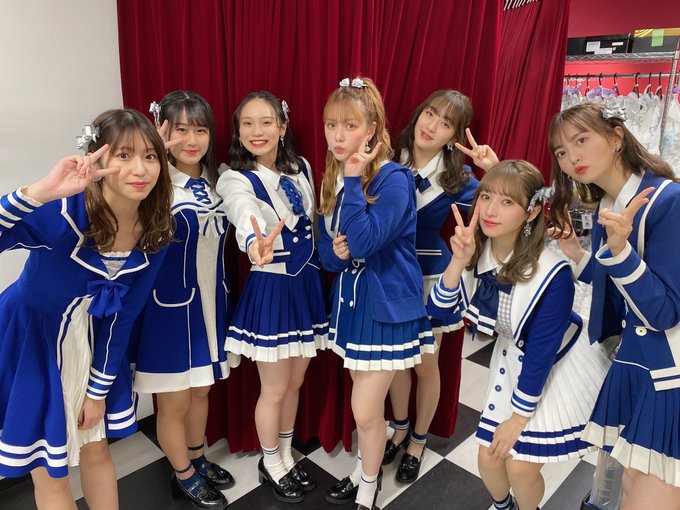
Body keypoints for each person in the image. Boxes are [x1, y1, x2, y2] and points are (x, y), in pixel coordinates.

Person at [0, 109, 173, 509]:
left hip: (91, 341)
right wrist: (39, 192)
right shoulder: (62, 214)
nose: (140, 169)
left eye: (150, 156)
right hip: (31, 341)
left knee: (96, 450)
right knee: (51, 468)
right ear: (97, 159)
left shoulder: (158, 229)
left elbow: (124, 314)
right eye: (124, 155)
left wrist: (97, 391)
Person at [428, 160, 610, 510]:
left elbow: (542, 351)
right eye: (486, 197)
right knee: (487, 459)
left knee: (520, 467)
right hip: (513, 358)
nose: (490, 210)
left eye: (507, 201)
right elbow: (438, 312)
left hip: (558, 366)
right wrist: (457, 260)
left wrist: (518, 418)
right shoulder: (478, 250)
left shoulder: (553, 274)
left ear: (532, 212)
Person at [549, 102, 680, 510]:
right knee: (628, 485)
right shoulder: (609, 205)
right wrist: (577, 253)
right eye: (561, 151)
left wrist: (620, 252)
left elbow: (663, 312)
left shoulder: (668, 200)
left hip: (668, 374)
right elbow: (615, 284)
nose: (572, 158)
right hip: (636, 364)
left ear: (617, 137)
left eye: (581, 140)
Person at [318, 76, 435, 510]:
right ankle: (363, 473)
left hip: (386, 308)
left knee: (365, 411)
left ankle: (368, 490)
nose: (338, 136)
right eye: (331, 125)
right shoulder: (336, 176)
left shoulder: (394, 179)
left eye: (349, 126)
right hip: (352, 306)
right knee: (366, 410)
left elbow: (365, 243)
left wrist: (352, 183)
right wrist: (335, 253)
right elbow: (328, 252)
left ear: (371, 129)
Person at [217, 91, 327, 504]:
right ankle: (270, 461)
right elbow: (241, 210)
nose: (256, 131)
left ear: (282, 127)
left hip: (307, 286)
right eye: (247, 123)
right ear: (238, 131)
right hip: (273, 287)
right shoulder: (234, 178)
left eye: (266, 122)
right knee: (275, 387)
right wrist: (252, 242)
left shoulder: (303, 169)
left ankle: (284, 452)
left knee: (295, 382)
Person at [384, 89, 499, 484]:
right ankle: (399, 428)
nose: (432, 126)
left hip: (432, 278)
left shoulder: (459, 179)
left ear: (454, 136)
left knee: (425, 363)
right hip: (388, 276)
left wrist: (492, 169)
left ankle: (418, 441)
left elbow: (506, 205)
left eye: (446, 123)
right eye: (430, 114)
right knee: (395, 361)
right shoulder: (386, 160)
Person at [133, 91, 238, 509]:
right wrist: (152, 157)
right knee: (174, 401)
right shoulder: (154, 186)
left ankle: (197, 457)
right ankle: (183, 474)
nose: (191, 140)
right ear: (163, 133)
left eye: (200, 130)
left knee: (201, 392)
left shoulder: (217, 181)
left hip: (212, 304)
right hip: (171, 312)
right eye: (180, 130)